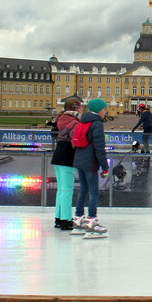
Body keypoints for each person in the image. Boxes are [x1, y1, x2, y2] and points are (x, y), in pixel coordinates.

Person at [71, 98, 110, 238]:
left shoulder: (83, 121)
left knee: (83, 190)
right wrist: (105, 167)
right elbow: (99, 148)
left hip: (80, 161)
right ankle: (92, 221)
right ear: (98, 110)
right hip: (90, 162)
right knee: (94, 192)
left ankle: (78, 218)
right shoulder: (97, 124)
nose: (106, 111)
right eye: (104, 109)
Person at [51, 97, 81, 231]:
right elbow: (76, 141)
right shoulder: (74, 122)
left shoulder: (61, 119)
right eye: (79, 107)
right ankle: (66, 219)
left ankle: (59, 217)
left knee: (61, 189)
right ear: (75, 108)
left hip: (58, 155)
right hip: (67, 156)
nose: (81, 109)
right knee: (67, 189)